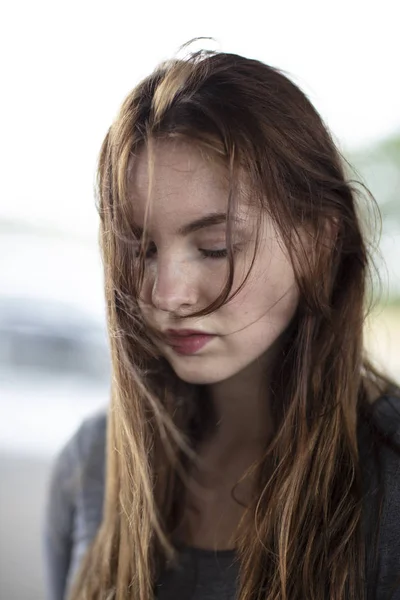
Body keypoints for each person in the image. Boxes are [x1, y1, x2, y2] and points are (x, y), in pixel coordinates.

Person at [44, 46, 400, 600]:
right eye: (140, 250)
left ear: (320, 244)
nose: (165, 295)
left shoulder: (391, 473)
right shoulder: (91, 464)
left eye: (214, 248)